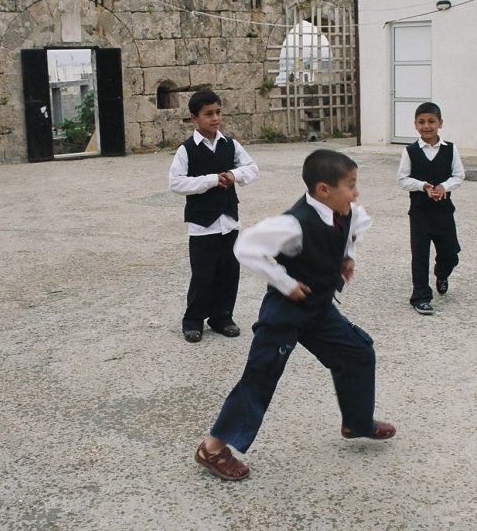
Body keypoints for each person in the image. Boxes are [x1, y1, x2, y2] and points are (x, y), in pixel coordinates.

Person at [194, 149, 396, 480]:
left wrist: (347, 257)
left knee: (358, 352)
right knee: (261, 376)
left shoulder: (347, 212)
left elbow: (356, 228)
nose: (356, 193)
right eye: (351, 185)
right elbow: (246, 247)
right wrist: (284, 282)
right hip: (285, 313)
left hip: (318, 309)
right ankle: (212, 448)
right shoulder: (293, 224)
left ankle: (356, 423)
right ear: (323, 190)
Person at [169, 89, 259, 343]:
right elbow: (176, 183)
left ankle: (222, 317)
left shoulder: (231, 145)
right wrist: (210, 180)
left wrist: (234, 175)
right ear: (194, 119)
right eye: (208, 114)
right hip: (202, 224)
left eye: (218, 112)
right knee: (203, 274)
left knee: (229, 271)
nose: (215, 118)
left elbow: (252, 169)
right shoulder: (186, 150)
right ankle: (193, 319)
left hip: (229, 221)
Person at [397, 102, 465, 315]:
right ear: (415, 125)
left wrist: (444, 186)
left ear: (440, 123)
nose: (426, 126)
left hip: (444, 212)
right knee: (419, 255)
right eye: (421, 122)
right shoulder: (410, 151)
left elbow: (459, 175)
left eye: (431, 121)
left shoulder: (450, 149)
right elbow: (402, 179)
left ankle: (442, 273)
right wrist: (422, 186)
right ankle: (420, 296)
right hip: (419, 212)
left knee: (451, 252)